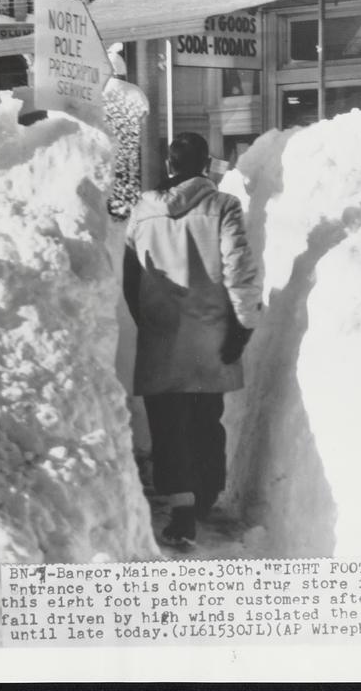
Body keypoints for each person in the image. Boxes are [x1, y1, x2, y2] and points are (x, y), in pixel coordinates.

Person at [122, 132, 261, 549]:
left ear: (169, 165)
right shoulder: (223, 206)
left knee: (166, 425)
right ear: (205, 166)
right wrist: (242, 325)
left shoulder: (141, 210)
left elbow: (132, 277)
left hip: (161, 335)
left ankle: (181, 508)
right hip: (209, 336)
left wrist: (147, 319)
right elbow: (239, 269)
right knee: (205, 418)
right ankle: (205, 495)